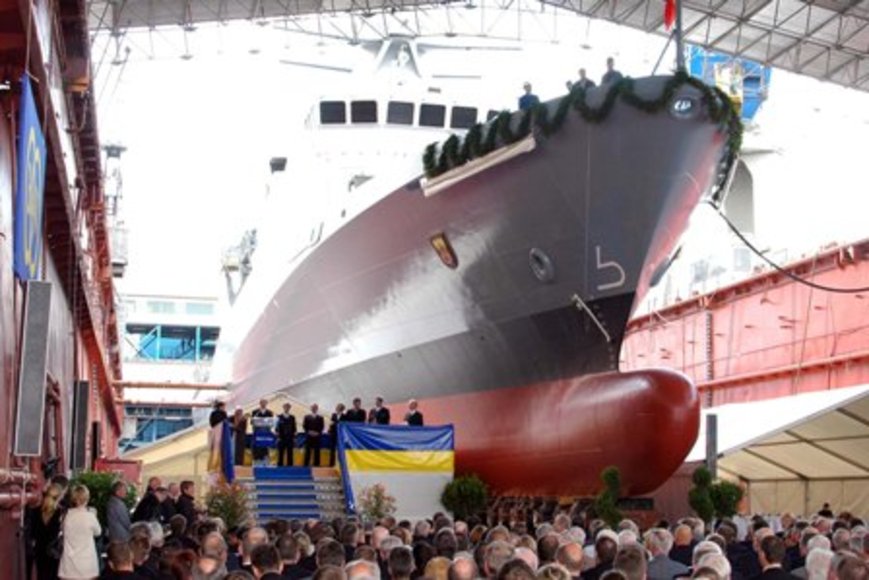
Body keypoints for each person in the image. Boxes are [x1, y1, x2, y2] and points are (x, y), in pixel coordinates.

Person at [58, 485, 101, 580]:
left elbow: (62, 531)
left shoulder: (66, 516)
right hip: (87, 564)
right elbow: (98, 532)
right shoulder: (90, 516)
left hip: (68, 564)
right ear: (87, 498)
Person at [32, 482, 65, 580]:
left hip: (39, 549)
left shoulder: (35, 511)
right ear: (59, 496)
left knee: (41, 575)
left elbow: (33, 532)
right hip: (54, 550)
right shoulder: (60, 512)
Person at [251, 399, 275, 466]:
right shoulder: (255, 412)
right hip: (258, 433)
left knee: (265, 447)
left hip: (266, 433)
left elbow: (271, 423)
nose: (263, 404)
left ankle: (265, 462)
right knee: (258, 447)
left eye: (265, 403)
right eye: (262, 403)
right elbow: (252, 422)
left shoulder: (269, 412)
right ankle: (257, 462)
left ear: (266, 404)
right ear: (260, 403)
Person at [276, 403, 297, 467]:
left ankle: (290, 467)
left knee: (290, 453)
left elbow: (294, 428)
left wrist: (294, 437)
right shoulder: (279, 417)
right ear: (283, 407)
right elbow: (276, 427)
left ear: (289, 408)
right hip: (281, 438)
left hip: (290, 438)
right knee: (280, 453)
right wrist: (278, 435)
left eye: (288, 407)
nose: (287, 408)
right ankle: (279, 467)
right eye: (285, 407)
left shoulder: (292, 417)